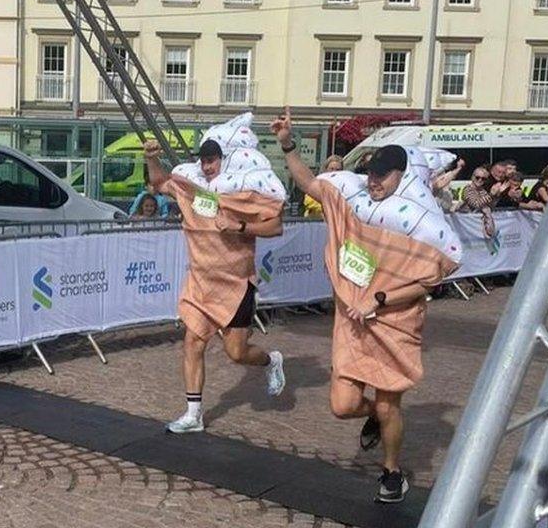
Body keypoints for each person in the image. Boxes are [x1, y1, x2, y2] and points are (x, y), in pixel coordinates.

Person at [271, 108, 461, 504]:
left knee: (391, 406)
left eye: (383, 176)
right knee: (342, 406)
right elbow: (308, 183)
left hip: (393, 323)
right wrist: (288, 144)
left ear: (401, 175)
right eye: (371, 174)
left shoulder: (420, 219)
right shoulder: (353, 197)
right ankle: (371, 415)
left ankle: (393, 472)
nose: (373, 182)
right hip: (351, 322)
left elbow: (428, 279)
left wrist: (380, 299)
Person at [144, 136, 286, 435]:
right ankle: (193, 414)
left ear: (223, 160)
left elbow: (276, 226)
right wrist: (152, 158)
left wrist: (240, 226)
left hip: (235, 284)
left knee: (236, 353)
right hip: (200, 282)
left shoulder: (240, 195)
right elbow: (158, 183)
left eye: (213, 160)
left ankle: (271, 361)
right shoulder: (190, 190)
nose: (208, 166)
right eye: (204, 161)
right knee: (193, 343)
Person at [459, 165, 497, 237]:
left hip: (479, 228)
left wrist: (496, 195)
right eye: (477, 177)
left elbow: (490, 206)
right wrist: (491, 194)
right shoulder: (467, 189)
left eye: (483, 179)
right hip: (468, 226)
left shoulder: (483, 191)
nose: (480, 180)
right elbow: (476, 204)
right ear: (472, 177)